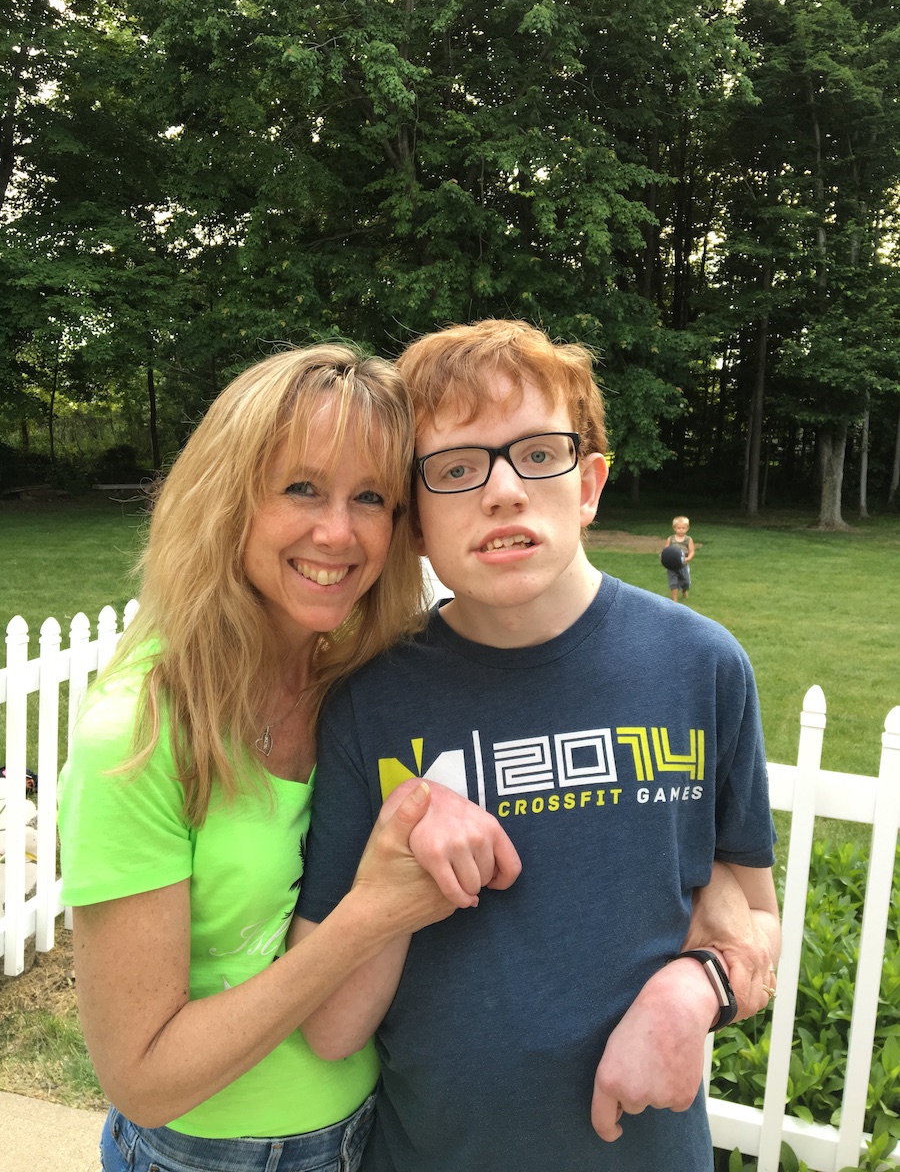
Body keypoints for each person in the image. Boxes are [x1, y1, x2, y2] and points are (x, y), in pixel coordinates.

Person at [295, 320, 781, 1172]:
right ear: (414, 523)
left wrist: (692, 990)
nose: (504, 492)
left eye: (539, 454)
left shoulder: (701, 668)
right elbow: (330, 1026)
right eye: (455, 468)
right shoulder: (369, 701)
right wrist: (396, 855)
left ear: (588, 483)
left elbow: (756, 916)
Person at [56, 344, 520, 1172]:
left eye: (370, 497)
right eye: (301, 487)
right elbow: (143, 1079)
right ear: (228, 500)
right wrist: (369, 915)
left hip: (374, 1132)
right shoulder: (138, 735)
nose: (337, 532)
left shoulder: (354, 682)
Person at [665, 514, 695, 602]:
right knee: (673, 581)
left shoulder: (688, 539)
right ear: (674, 528)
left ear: (687, 528)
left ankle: (684, 591)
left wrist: (688, 558)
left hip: (683, 564)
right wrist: (664, 559)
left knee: (685, 581)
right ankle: (675, 599)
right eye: (679, 528)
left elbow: (692, 551)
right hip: (672, 565)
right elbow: (666, 551)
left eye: (683, 528)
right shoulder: (670, 539)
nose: (681, 530)